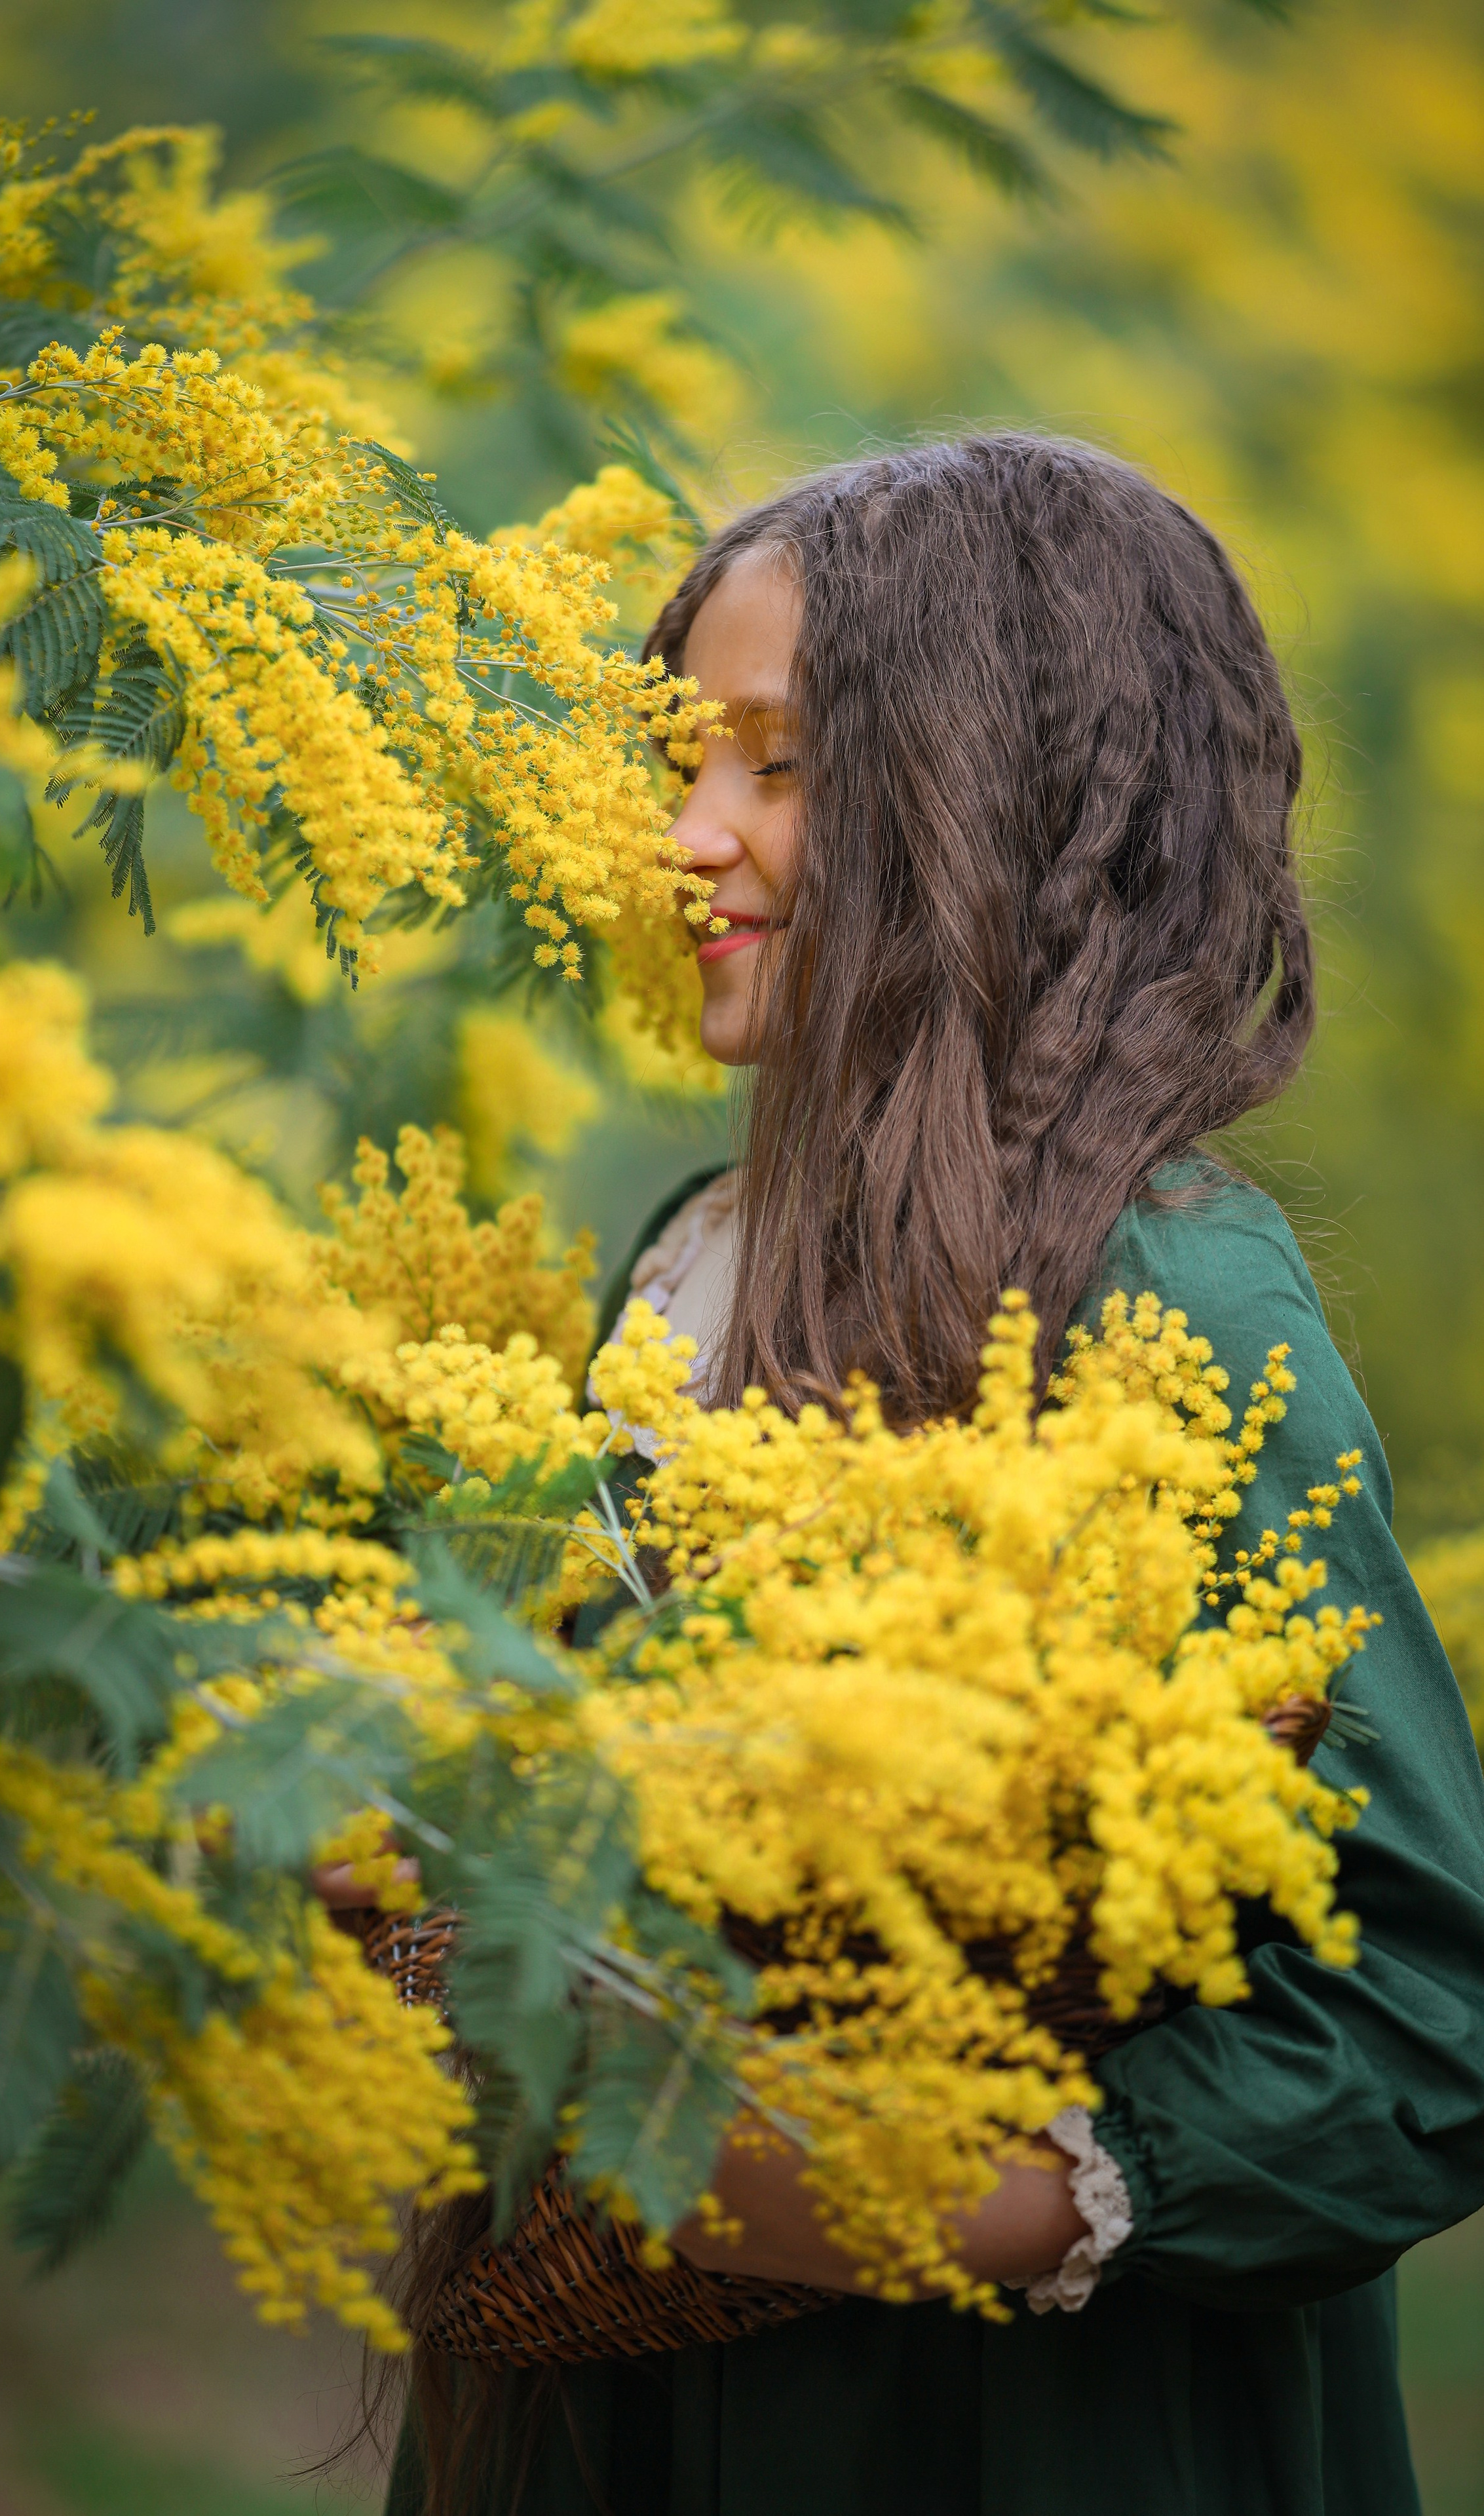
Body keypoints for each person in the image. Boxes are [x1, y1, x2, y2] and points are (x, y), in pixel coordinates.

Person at [379, 436, 1484, 2516]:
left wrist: (900, 2197)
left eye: (775, 766)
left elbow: (1424, 2021)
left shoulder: (1172, 1293)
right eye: (673, 759)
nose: (680, 838)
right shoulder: (678, 1263)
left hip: (1014, 2445)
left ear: (1005, 806)